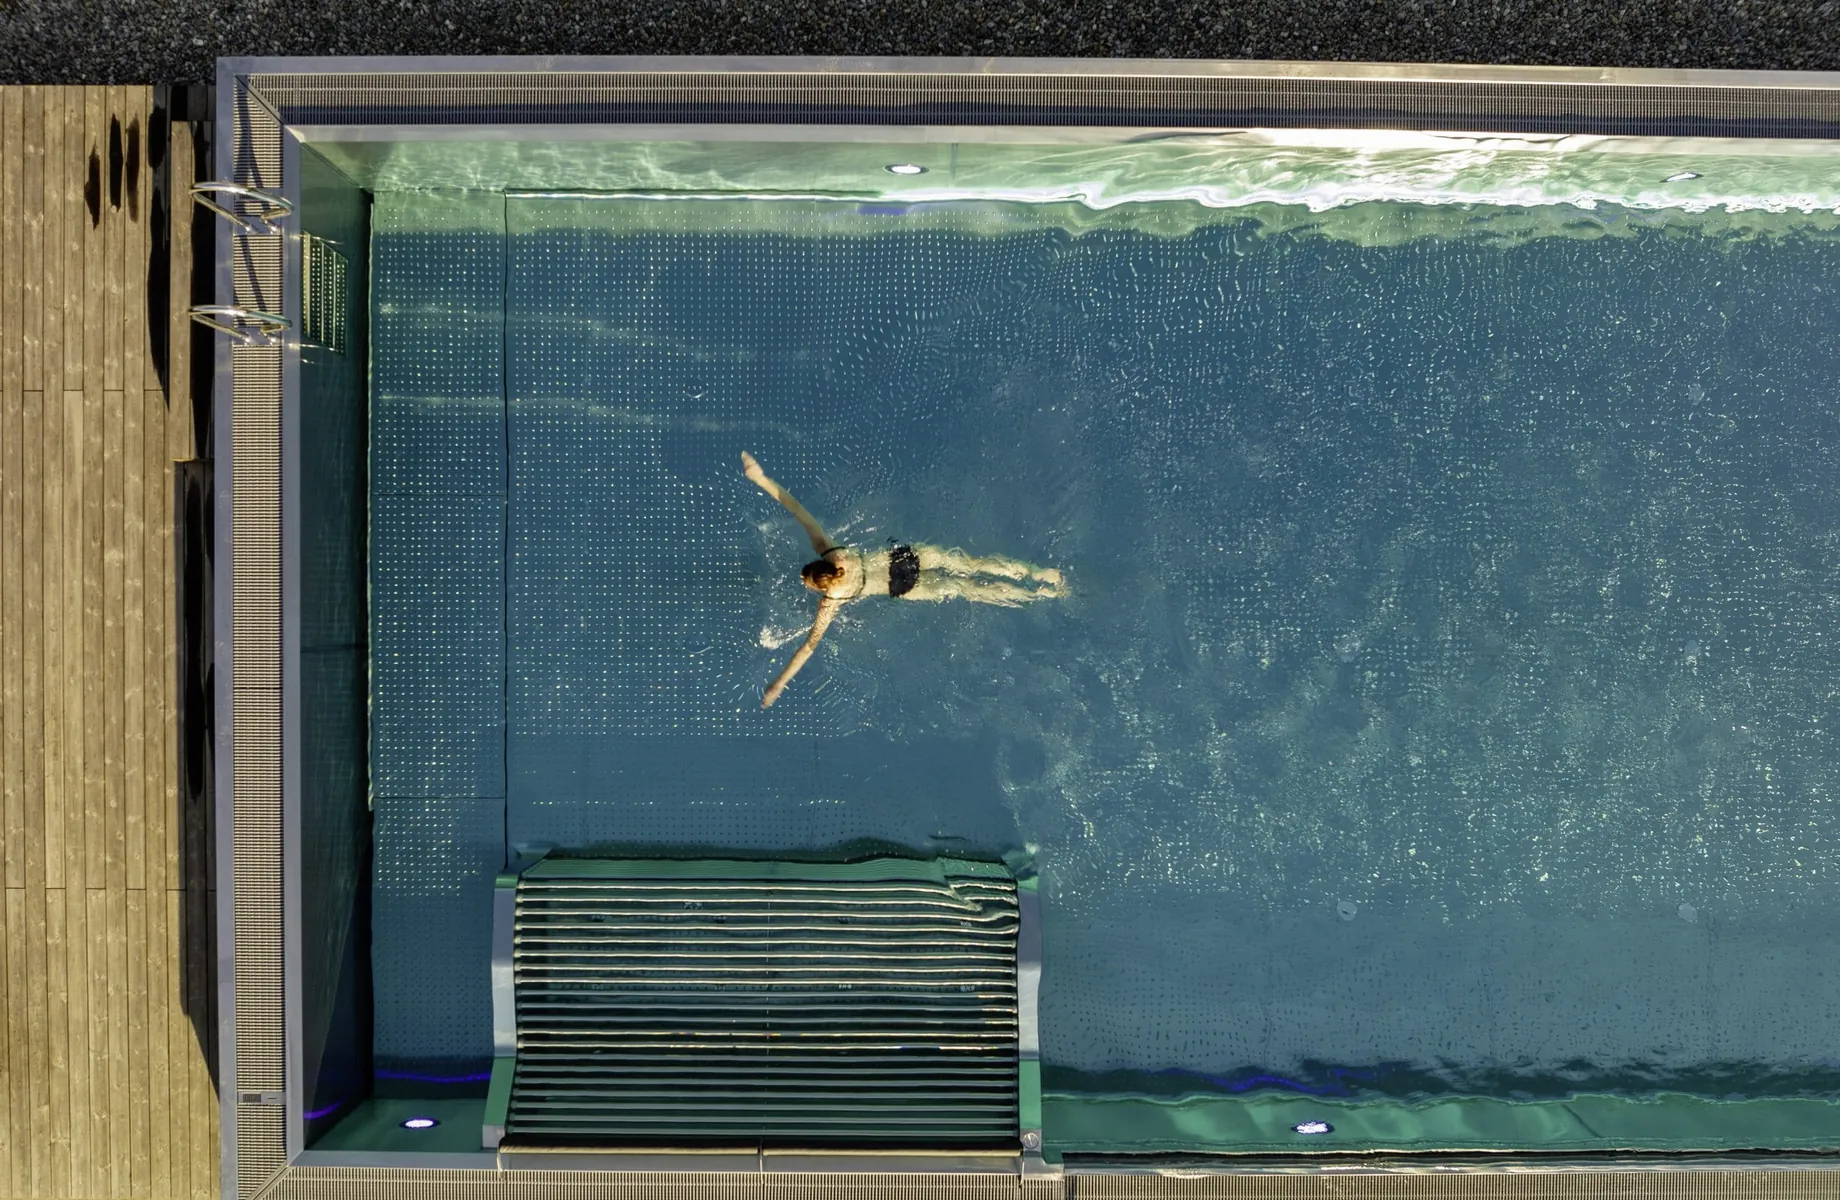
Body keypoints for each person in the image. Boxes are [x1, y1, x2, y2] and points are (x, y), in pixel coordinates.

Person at [742, 451, 1064, 708]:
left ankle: (1037, 596)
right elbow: (796, 509)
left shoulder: (831, 601)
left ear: (820, 587)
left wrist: (778, 684)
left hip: (900, 587)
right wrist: (760, 477)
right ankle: (1040, 574)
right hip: (905, 557)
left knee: (967, 589)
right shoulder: (832, 552)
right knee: (972, 564)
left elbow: (808, 648)